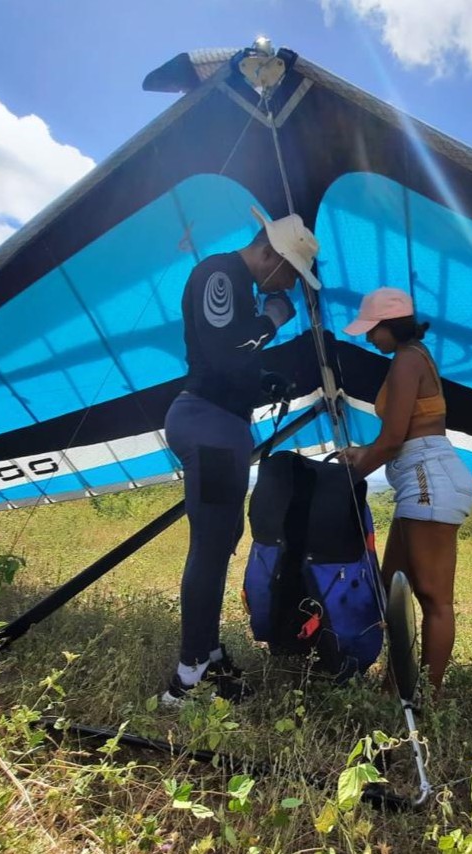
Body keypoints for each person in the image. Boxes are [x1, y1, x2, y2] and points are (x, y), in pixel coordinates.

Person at [160, 207, 322, 706]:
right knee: (210, 547)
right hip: (207, 424)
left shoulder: (240, 285)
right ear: (270, 254)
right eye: (291, 274)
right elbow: (226, 351)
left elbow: (227, 360)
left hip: (222, 424)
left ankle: (208, 653)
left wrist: (262, 381)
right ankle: (187, 679)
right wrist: (272, 319)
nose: (290, 287)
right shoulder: (220, 271)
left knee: (223, 538)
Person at [338, 287, 472, 696]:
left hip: (429, 479)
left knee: (434, 598)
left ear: (391, 324)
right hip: (420, 478)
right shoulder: (413, 356)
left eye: (372, 329)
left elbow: (394, 438)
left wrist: (349, 477)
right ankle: (393, 685)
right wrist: (363, 453)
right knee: (391, 586)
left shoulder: (407, 360)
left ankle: (427, 697)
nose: (368, 337)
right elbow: (402, 433)